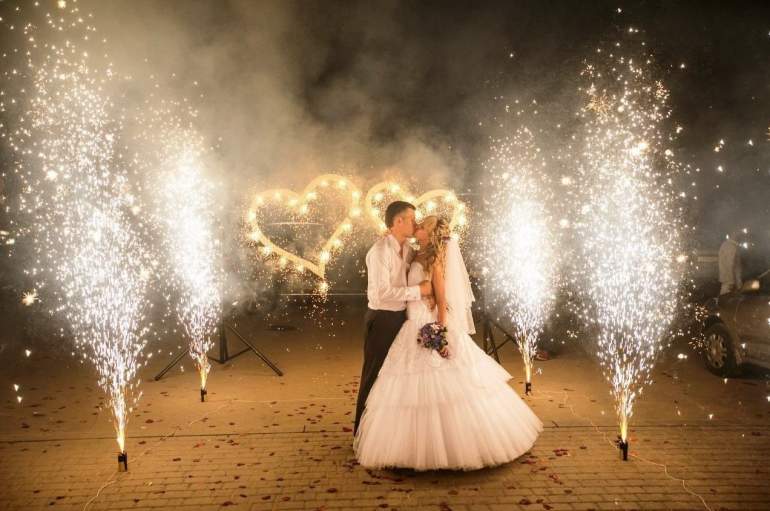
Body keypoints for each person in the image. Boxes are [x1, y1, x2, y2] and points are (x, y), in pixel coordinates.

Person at [353, 216, 542, 471]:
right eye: (416, 222)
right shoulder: (414, 252)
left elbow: (442, 300)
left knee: (443, 384)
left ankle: (452, 447)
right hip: (410, 322)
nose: (417, 226)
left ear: (430, 233)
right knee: (408, 388)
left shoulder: (435, 260)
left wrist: (439, 332)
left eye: (422, 225)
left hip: (425, 322)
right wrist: (387, 236)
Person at [353, 201, 432, 435]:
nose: (416, 223)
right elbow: (381, 293)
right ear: (398, 221)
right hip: (381, 319)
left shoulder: (408, 249)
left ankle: (386, 431)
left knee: (392, 376)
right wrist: (419, 291)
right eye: (412, 219)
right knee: (374, 373)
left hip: (401, 318)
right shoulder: (379, 252)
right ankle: (361, 432)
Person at [718, 229, 743, 295]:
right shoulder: (730, 247)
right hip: (729, 282)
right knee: (726, 297)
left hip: (729, 281)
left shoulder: (728, 245)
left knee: (725, 296)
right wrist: (733, 281)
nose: (739, 234)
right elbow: (730, 265)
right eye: (737, 232)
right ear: (732, 233)